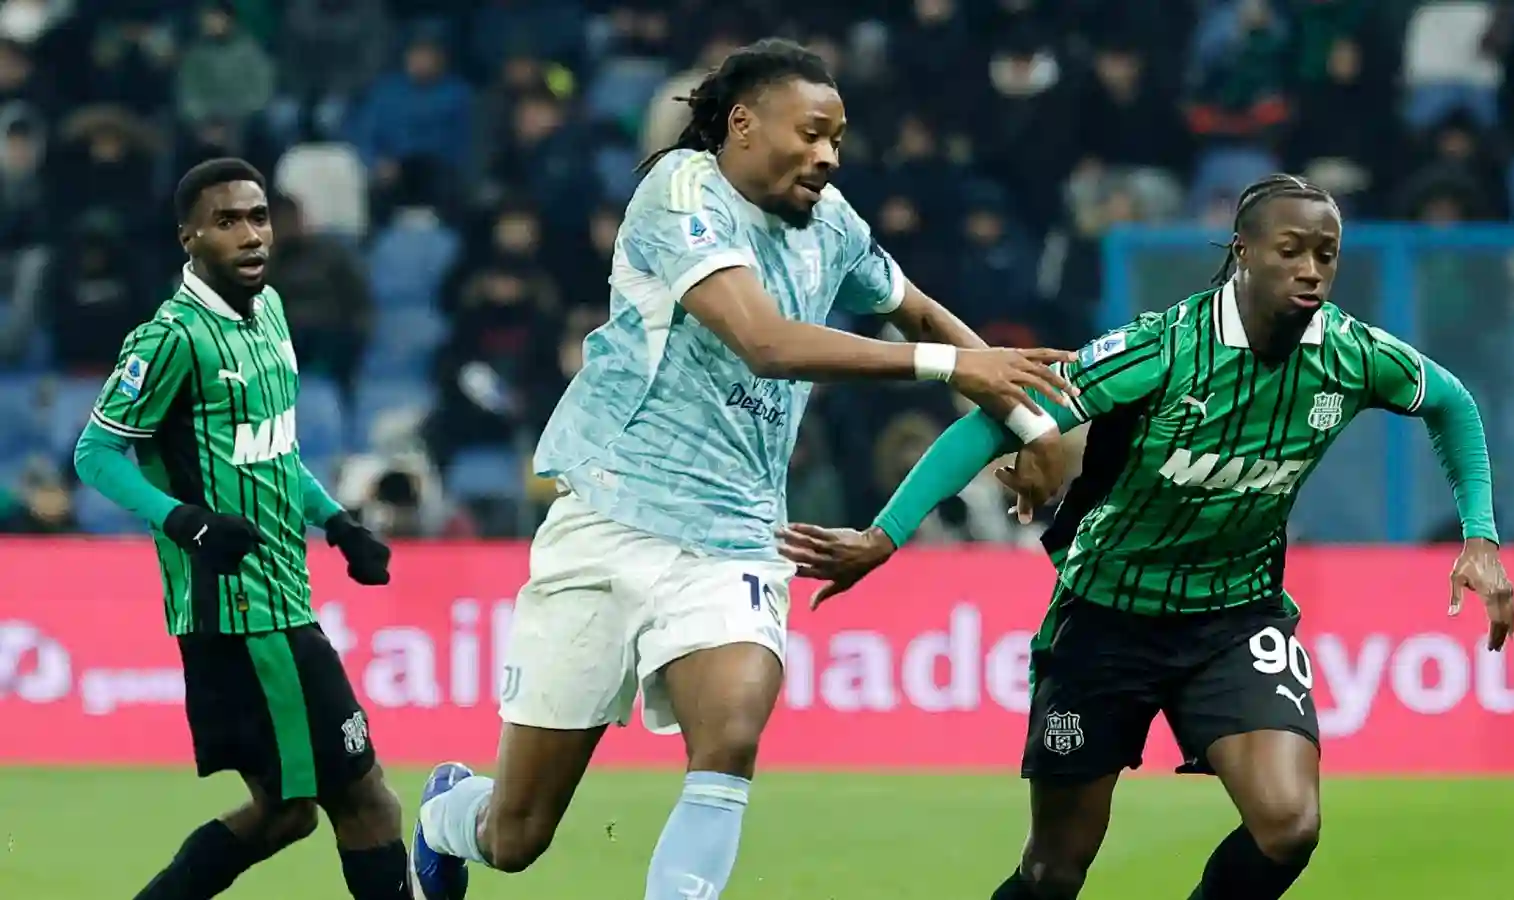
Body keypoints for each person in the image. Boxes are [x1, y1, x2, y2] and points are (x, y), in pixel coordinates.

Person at [410, 38, 1075, 900]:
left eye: (838, 139)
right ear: (743, 123)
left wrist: (1025, 419)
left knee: (728, 740)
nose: (828, 156)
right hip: (610, 516)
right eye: (811, 133)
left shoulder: (832, 225)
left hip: (736, 538)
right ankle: (448, 813)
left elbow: (915, 311)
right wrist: (959, 371)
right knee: (516, 834)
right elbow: (764, 343)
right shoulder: (681, 192)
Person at [777, 174, 1514, 900]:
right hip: (1106, 620)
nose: (1311, 269)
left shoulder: (1350, 355)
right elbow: (994, 419)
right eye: (1290, 249)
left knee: (1289, 825)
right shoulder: (1163, 349)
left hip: (1236, 618)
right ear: (1243, 252)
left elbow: (1451, 402)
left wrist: (1480, 538)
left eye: (1326, 254)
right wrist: (886, 534)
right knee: (1055, 868)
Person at [70, 158, 404, 900]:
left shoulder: (271, 311)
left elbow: (271, 448)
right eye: (226, 222)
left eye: (258, 217)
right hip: (241, 615)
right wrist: (185, 521)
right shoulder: (170, 339)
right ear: (189, 237)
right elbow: (95, 452)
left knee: (287, 813)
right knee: (366, 799)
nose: (250, 235)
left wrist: (337, 523)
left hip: (284, 597)